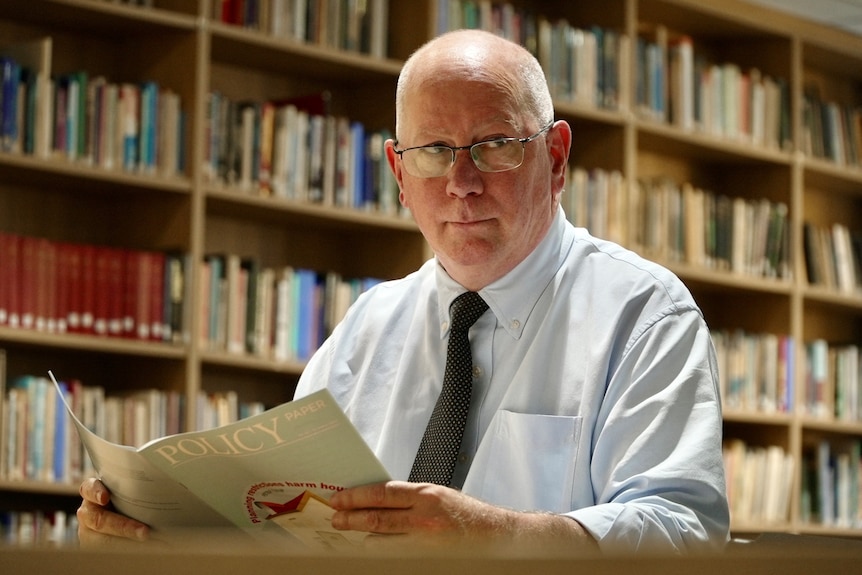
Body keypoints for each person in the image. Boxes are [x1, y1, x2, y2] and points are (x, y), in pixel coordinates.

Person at [78, 29, 730, 554]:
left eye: (496, 145)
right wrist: (166, 538)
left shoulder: (645, 316)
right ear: (397, 170)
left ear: (555, 159)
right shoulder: (365, 330)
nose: (462, 181)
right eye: (434, 151)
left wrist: (503, 536)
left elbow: (688, 530)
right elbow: (287, 534)